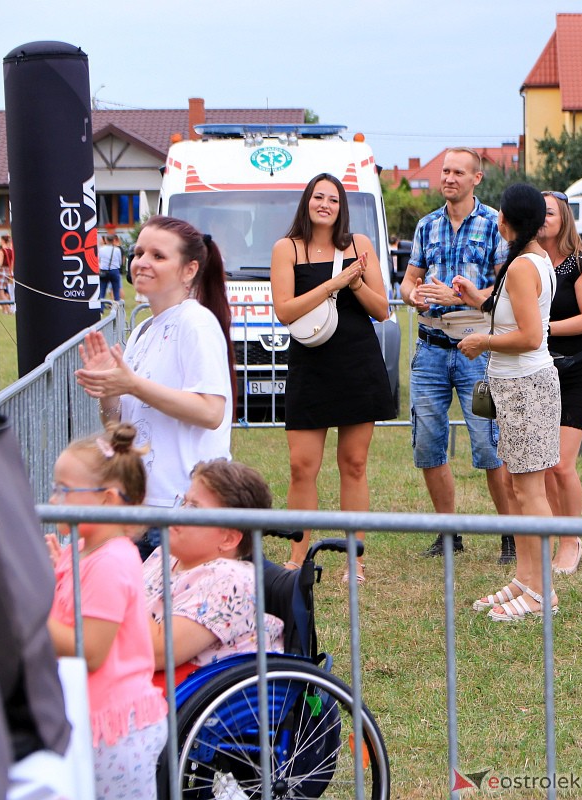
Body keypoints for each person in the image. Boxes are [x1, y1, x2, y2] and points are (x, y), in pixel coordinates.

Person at [76, 215, 235, 559]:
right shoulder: (142, 331)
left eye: (158, 256)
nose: (141, 263)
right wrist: (110, 390)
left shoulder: (196, 323)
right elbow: (120, 428)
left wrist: (133, 384)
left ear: (189, 270)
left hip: (186, 511)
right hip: (144, 510)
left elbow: (211, 412)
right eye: (138, 253)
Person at [270, 173, 395, 583]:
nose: (325, 204)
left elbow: (382, 310)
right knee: (301, 466)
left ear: (342, 207)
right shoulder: (286, 248)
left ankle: (353, 560)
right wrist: (333, 284)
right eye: (318, 197)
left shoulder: (360, 246)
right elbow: (285, 311)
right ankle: (297, 557)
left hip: (357, 364)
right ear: (307, 202)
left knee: (354, 465)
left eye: (333, 199)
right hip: (310, 366)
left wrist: (355, 283)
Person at [399, 148, 513, 561]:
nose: (448, 177)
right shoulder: (427, 225)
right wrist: (415, 297)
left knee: (488, 444)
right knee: (428, 444)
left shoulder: (495, 224)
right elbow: (409, 280)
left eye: (458, 172)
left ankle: (509, 535)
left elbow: (505, 293)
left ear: (477, 179)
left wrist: (464, 295)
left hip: (476, 350)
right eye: (445, 171)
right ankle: (449, 533)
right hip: (430, 349)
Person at [455, 183, 561, 622]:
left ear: (507, 221)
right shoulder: (533, 260)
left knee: (530, 491)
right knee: (521, 488)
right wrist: (478, 299)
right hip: (518, 387)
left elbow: (531, 336)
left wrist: (484, 340)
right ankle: (525, 579)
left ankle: (542, 592)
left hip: (526, 386)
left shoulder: (521, 266)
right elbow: (518, 316)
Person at [44, 424, 168, 799]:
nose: (53, 500)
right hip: (88, 721)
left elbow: (91, 650)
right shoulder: (79, 552)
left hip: (115, 734)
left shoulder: (110, 561)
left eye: (64, 490)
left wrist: (27, 616)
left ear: (109, 499)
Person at [143, 460, 283, 682]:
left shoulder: (227, 579)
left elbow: (159, 652)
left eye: (194, 508)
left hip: (184, 696)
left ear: (228, 538)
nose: (179, 513)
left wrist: (118, 581)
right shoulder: (165, 555)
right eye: (183, 502)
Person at [539, 191, 582, 575]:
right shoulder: (526, 261)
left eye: (549, 212)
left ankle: (570, 540)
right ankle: (554, 534)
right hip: (539, 371)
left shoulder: (581, 264)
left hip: (577, 370)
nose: (542, 218)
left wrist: (542, 329)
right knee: (544, 466)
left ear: (564, 218)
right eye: (538, 213)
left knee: (562, 465)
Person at [98, 234, 124, 302]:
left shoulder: (101, 249)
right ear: (113, 240)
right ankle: (117, 307)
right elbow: (120, 261)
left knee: (102, 290)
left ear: (106, 240)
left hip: (103, 270)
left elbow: (99, 260)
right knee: (116, 290)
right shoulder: (117, 250)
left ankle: (101, 309)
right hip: (114, 270)